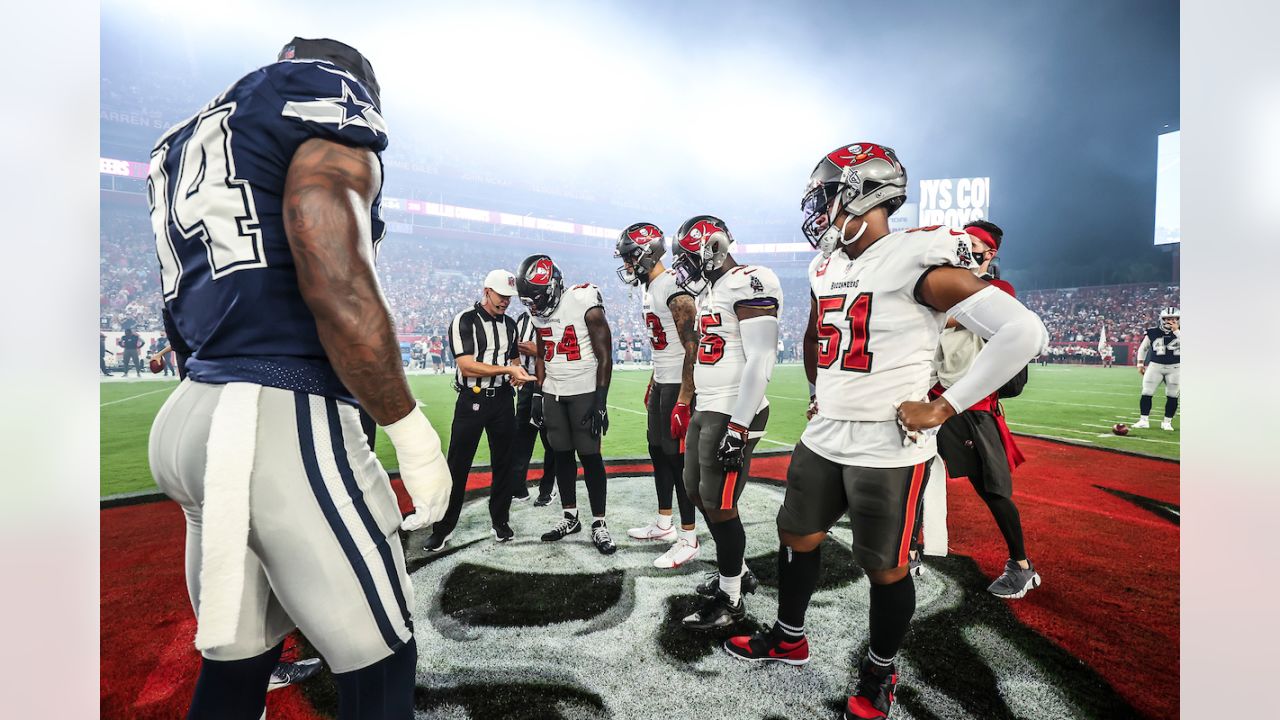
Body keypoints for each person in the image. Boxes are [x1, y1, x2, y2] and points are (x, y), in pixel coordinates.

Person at [146, 38, 452, 720]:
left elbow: (183, 309)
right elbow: (331, 265)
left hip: (196, 412)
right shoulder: (321, 96)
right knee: (380, 658)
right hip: (278, 419)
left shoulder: (187, 138)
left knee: (238, 658)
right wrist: (411, 433)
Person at [723, 143, 1046, 720]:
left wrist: (945, 408)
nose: (819, 212)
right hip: (826, 434)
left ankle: (879, 674)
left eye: (826, 198)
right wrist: (824, 389)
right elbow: (820, 331)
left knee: (885, 565)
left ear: (860, 195)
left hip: (888, 444)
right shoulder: (828, 264)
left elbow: (1022, 332)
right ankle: (790, 636)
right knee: (796, 535)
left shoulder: (914, 259)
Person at [915, 220, 1040, 599]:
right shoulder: (945, 283)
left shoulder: (998, 290)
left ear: (989, 254)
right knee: (911, 478)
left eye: (969, 245)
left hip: (969, 404)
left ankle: (1022, 566)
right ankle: (910, 550)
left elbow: (950, 314)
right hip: (930, 398)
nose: (961, 251)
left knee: (992, 490)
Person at [667, 215, 781, 630]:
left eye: (686, 257)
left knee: (720, 503)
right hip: (707, 404)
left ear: (711, 246)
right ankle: (739, 571)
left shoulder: (751, 279)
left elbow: (762, 357)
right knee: (697, 493)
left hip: (733, 408)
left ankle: (731, 599)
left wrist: (738, 425)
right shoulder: (713, 289)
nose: (682, 267)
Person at [421, 270, 533, 551]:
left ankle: (501, 521)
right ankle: (443, 527)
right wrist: (508, 368)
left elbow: (514, 360)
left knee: (504, 464)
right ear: (486, 291)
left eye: (509, 297)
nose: (505, 302)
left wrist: (517, 374)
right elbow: (467, 365)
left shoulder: (510, 324)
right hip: (472, 400)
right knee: (458, 466)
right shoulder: (465, 320)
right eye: (501, 296)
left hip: (502, 400)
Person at [515, 254, 617, 555]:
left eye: (537, 298)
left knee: (590, 457)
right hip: (552, 392)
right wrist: (537, 392)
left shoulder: (583, 298)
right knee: (560, 456)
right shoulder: (538, 312)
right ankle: (570, 517)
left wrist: (600, 400)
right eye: (529, 300)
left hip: (584, 390)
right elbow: (543, 353)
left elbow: (605, 354)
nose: (533, 306)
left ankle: (599, 523)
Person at [614, 223, 701, 569]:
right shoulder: (652, 288)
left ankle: (688, 537)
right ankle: (664, 524)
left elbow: (692, 349)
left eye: (629, 257)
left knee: (678, 462)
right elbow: (663, 344)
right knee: (658, 452)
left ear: (645, 253)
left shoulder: (673, 288)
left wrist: (684, 397)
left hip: (678, 386)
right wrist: (654, 380)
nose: (627, 265)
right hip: (663, 382)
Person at [510, 308, 559, 506]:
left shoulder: (557, 317)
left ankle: (548, 488)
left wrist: (537, 351)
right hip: (527, 384)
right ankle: (518, 488)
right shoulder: (521, 318)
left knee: (551, 440)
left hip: (550, 383)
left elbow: (565, 350)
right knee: (521, 439)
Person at [1135, 307, 1180, 430]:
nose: (1170, 321)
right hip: (1155, 366)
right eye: (1167, 319)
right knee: (1146, 392)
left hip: (1176, 367)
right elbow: (1143, 348)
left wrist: (1176, 331)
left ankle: (1167, 422)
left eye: (1173, 319)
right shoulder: (1153, 331)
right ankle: (1143, 420)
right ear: (1161, 319)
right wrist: (1140, 363)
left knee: (1172, 395)